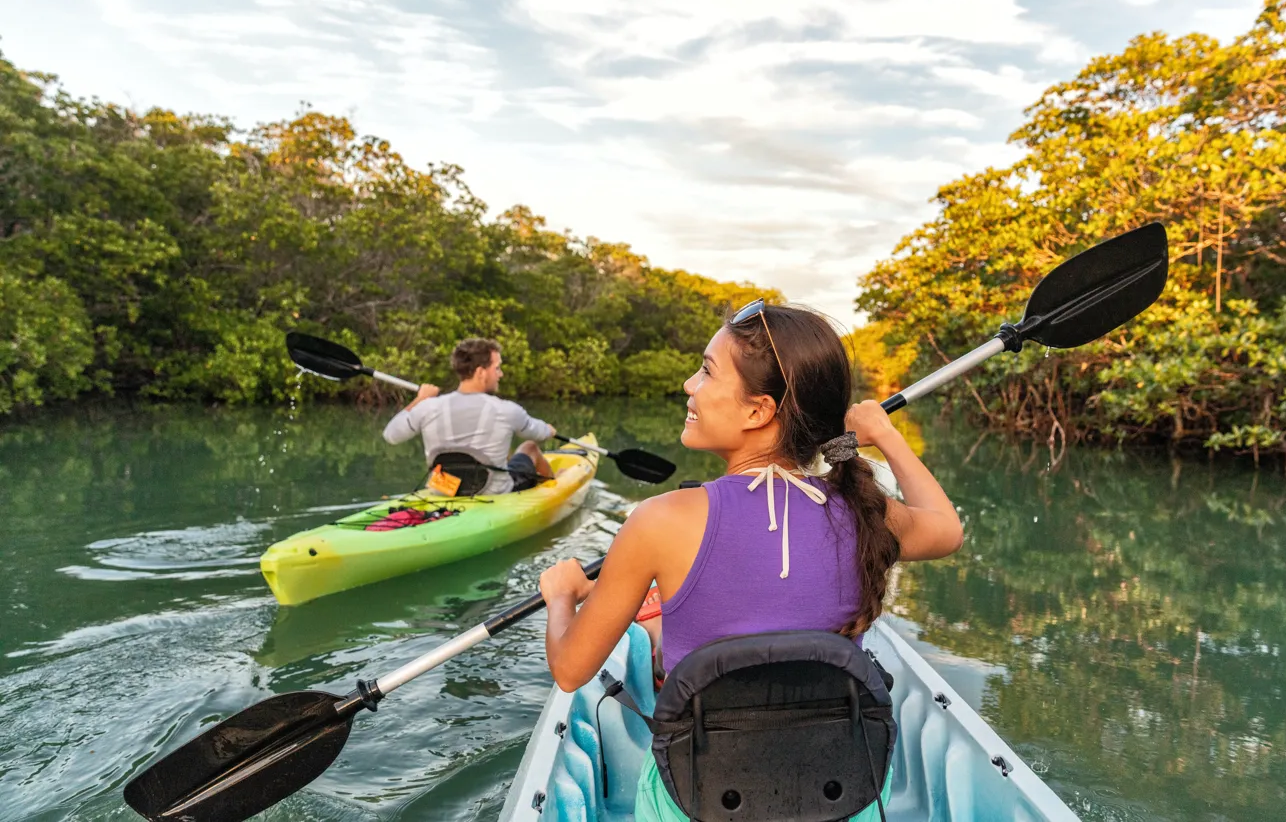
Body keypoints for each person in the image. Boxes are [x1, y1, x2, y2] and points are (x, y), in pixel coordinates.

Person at [536, 300, 965, 819]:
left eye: (707, 371)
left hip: (703, 800)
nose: (690, 386)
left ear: (759, 410)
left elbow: (570, 669)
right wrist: (884, 435)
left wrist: (562, 597)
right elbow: (946, 529)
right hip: (839, 796)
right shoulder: (865, 511)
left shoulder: (659, 520)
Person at [382, 337, 557, 495]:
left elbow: (391, 435)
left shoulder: (428, 406)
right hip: (493, 493)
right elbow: (539, 433)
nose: (500, 374)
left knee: (504, 455)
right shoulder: (507, 410)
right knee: (529, 448)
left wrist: (420, 399)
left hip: (444, 491)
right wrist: (549, 430)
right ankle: (556, 488)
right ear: (481, 372)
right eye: (497, 368)